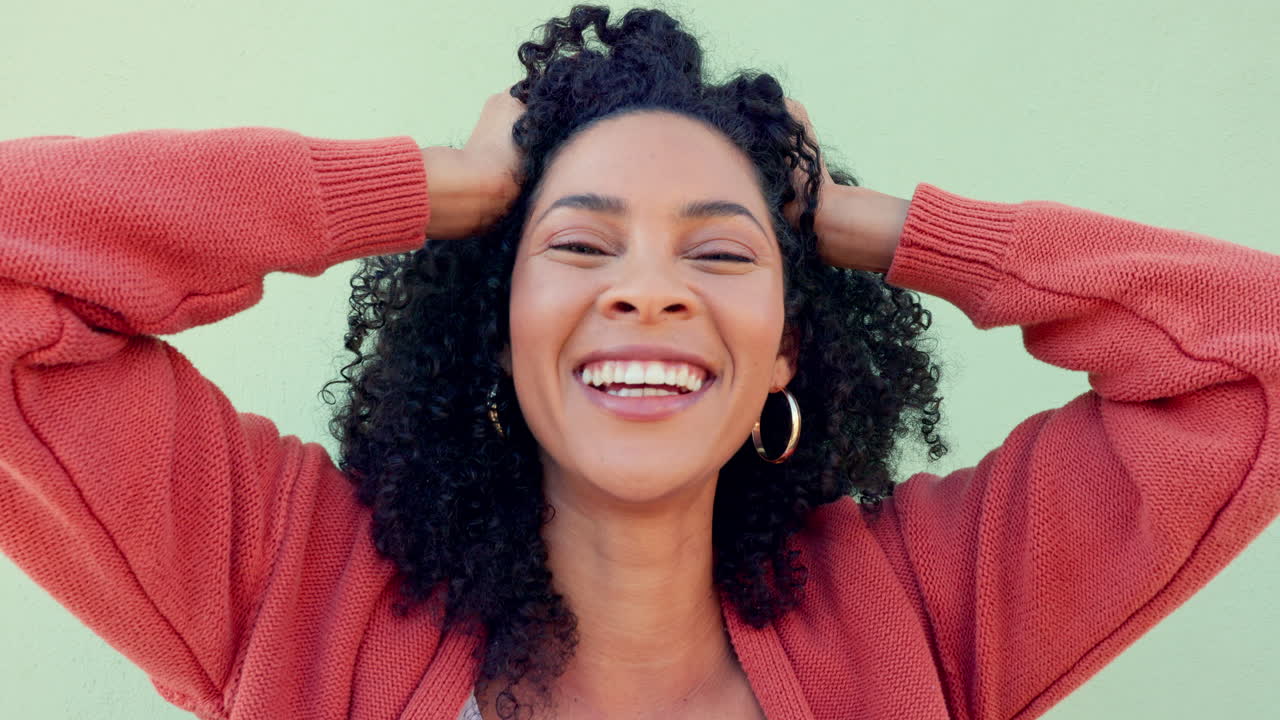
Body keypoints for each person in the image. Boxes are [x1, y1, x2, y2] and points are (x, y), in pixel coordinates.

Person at [1, 5, 1276, 720]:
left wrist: (857, 220)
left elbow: (1251, 361)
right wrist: (439, 186)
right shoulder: (289, 587)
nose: (650, 287)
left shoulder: (925, 621)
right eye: (578, 243)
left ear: (784, 348)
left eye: (719, 257)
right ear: (498, 325)